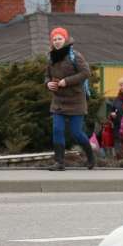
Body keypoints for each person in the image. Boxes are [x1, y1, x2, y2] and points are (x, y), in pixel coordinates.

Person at [44, 27, 96, 171]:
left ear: (65, 39)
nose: (57, 41)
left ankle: (91, 157)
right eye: (54, 39)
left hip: (76, 100)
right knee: (57, 130)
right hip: (58, 101)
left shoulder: (75, 56)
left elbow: (86, 73)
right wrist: (48, 84)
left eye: (59, 38)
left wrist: (66, 81)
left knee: (76, 133)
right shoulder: (50, 57)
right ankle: (59, 163)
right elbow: (47, 75)